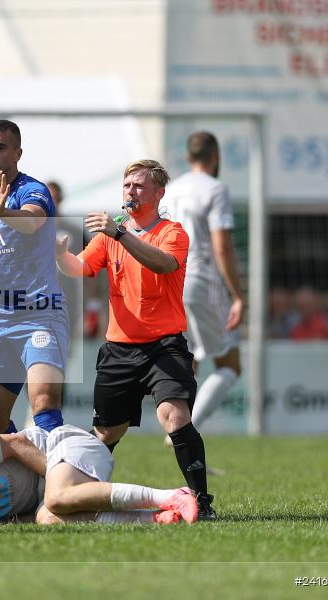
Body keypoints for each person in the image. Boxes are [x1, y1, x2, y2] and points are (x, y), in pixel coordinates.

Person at [56, 159, 216, 521]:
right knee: (106, 433)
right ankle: (79, 498)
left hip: (164, 346)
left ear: (159, 194)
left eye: (139, 186)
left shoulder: (172, 233)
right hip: (119, 350)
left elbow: (163, 265)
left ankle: (202, 503)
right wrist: (58, 255)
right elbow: (80, 267)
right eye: (127, 185)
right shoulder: (111, 235)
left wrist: (119, 235)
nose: (131, 190)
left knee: (174, 417)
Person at [0, 426, 198, 526]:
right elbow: (15, 520)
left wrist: (60, 484)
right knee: (48, 519)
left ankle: (171, 495)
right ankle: (157, 518)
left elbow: (17, 443)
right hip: (52, 489)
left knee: (58, 498)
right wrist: (47, 509)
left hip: (62, 447)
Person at [0, 120, 69, 436]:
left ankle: (56, 481)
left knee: (44, 401)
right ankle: (24, 476)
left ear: (17, 153)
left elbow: (32, 221)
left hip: (40, 316)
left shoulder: (32, 190)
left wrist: (4, 213)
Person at [160, 132, 244, 439]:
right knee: (230, 364)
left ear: (187, 157)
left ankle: (180, 436)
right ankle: (183, 431)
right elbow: (221, 247)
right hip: (202, 279)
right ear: (216, 156)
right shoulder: (216, 188)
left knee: (189, 362)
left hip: (171, 281)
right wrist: (237, 295)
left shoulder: (171, 190)